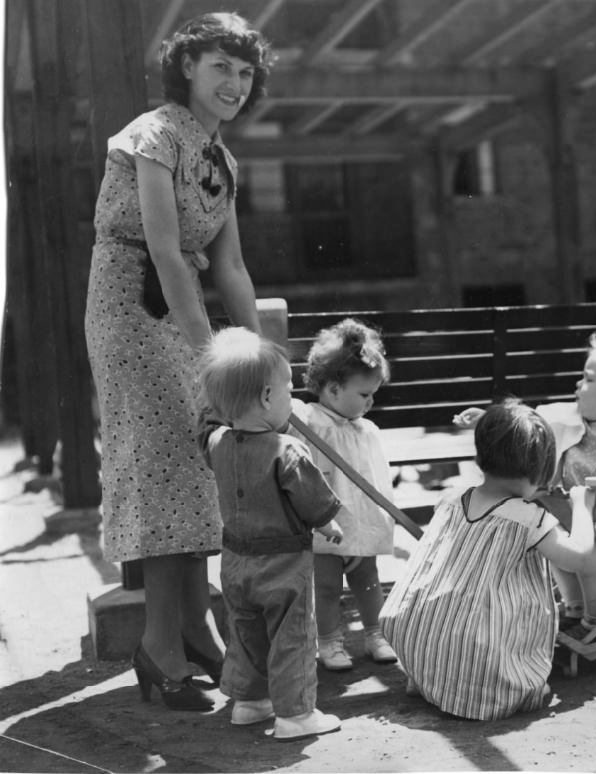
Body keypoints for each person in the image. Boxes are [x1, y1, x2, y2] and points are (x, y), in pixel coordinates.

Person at [83, 12, 273, 711]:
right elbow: (164, 248)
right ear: (187, 67)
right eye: (220, 65)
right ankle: (159, 646)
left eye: (244, 72)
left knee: (197, 467)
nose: (234, 82)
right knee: (163, 465)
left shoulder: (221, 161)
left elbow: (232, 268)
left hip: (181, 304)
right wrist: (209, 353)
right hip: (131, 307)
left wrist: (257, 359)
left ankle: (194, 629)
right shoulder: (153, 133)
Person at [454, 331, 596, 642]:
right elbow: (526, 424)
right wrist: (489, 419)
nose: (579, 385)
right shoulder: (572, 420)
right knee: (553, 548)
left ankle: (595, 623)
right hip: (576, 514)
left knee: (586, 563)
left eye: (588, 379)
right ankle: (574, 608)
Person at [379, 399, 596, 720]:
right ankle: (491, 689)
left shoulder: (452, 497)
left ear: (480, 458)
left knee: (454, 622)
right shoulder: (529, 518)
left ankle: (434, 681)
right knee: (488, 638)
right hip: (477, 655)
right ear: (541, 470)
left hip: (416, 638)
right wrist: (583, 507)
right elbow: (580, 558)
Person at [197, 327, 343, 740]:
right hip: (284, 565)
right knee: (291, 636)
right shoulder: (287, 450)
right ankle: (295, 715)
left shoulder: (219, 443)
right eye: (287, 391)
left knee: (247, 634)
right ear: (265, 398)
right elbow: (312, 499)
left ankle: (250, 702)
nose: (292, 400)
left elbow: (205, 427)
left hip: (235, 564)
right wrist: (328, 523)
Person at [291, 318, 399, 671]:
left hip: (361, 522)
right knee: (325, 587)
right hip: (326, 524)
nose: (370, 403)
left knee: (368, 581)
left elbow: (376, 480)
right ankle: (330, 642)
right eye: (364, 394)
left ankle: (375, 633)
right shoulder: (309, 420)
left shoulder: (367, 430)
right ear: (334, 389)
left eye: (373, 395)